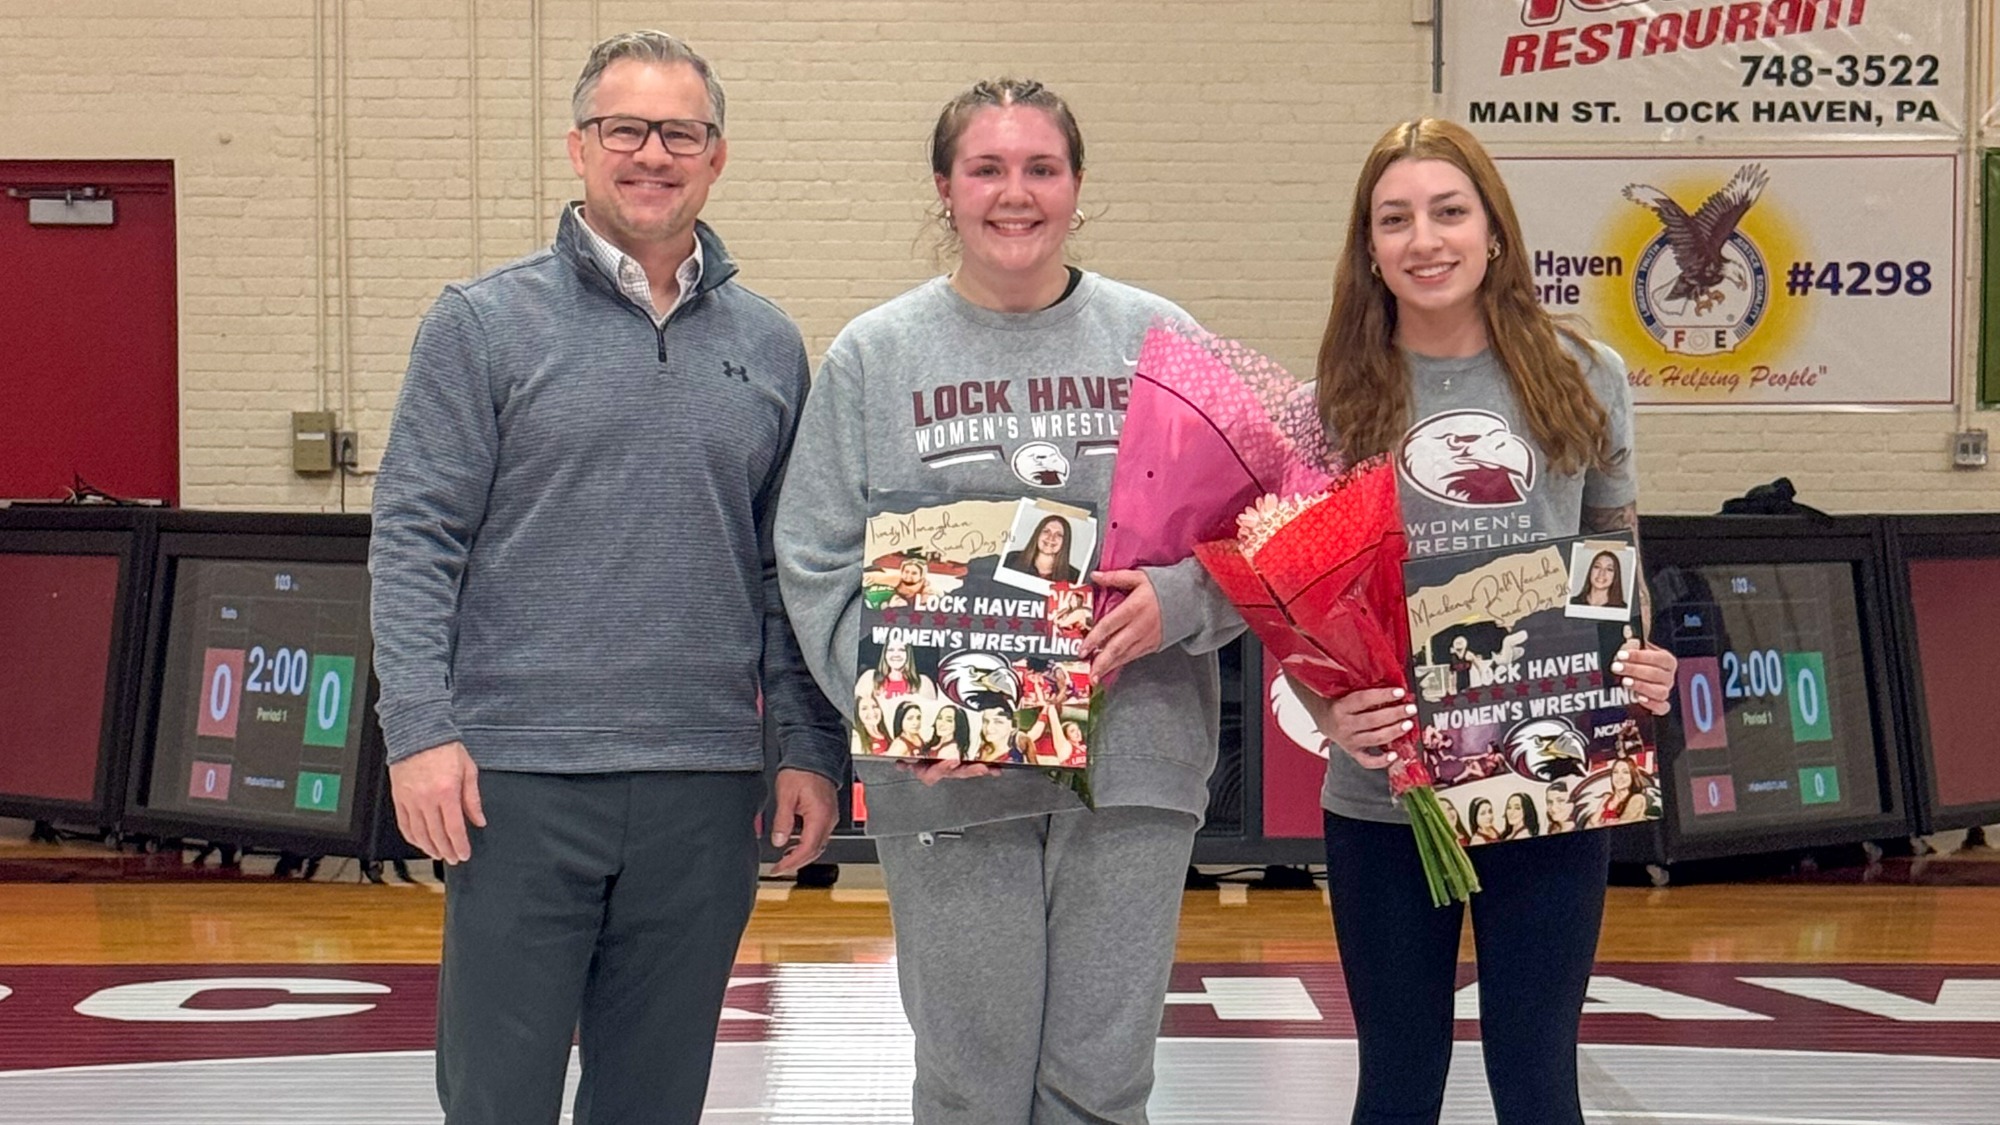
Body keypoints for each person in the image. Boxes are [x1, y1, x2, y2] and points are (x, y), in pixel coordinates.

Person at [367, 31, 844, 1125]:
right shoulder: (480, 324)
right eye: (624, 129)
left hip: (705, 786)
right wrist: (419, 732)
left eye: (680, 132)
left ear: (716, 157)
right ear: (578, 150)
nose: (652, 154)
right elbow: (414, 539)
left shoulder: (770, 345)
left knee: (653, 1101)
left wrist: (807, 750)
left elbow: (787, 574)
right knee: (499, 1100)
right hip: (517, 782)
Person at [775, 77, 1240, 1125]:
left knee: (1100, 1084)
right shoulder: (874, 356)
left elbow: (1247, 546)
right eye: (986, 168)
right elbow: (813, 559)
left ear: (1075, 187)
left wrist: (1180, 600)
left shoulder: (1158, 339)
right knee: (969, 1086)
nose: (1014, 193)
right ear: (944, 188)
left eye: (1041, 168)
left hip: (1135, 765)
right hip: (948, 778)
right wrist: (908, 707)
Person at [1289, 117, 1679, 1125]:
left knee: (1538, 1076)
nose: (1424, 238)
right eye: (1395, 219)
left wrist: (1635, 656)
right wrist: (1327, 713)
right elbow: (1295, 602)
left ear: (1492, 231)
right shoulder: (1328, 402)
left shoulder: (1582, 372)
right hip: (1385, 797)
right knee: (1395, 1082)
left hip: (1550, 782)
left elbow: (1611, 546)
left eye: (1447, 211)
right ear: (1367, 249)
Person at [1004, 513, 1081, 583]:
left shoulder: (1074, 577)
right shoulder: (1011, 559)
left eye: (1058, 535)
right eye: (1046, 531)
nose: (1051, 537)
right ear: (1037, 534)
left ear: (1065, 541)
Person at [860, 638, 940, 700]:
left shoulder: (923, 682)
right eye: (891, 650)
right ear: (885, 654)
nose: (896, 654)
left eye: (901, 650)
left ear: (908, 654)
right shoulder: (870, 678)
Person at [1589, 756, 1651, 827]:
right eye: (1615, 772)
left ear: (1633, 776)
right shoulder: (1607, 799)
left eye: (1625, 772)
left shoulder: (1637, 799)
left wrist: (1598, 824)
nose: (1619, 777)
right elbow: (1591, 823)